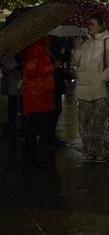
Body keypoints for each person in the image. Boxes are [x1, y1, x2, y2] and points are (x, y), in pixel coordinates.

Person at [71, 14, 109, 163]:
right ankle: (89, 152)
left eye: (92, 24)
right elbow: (76, 63)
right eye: (88, 24)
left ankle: (102, 153)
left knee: (102, 123)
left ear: (100, 25)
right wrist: (76, 49)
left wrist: (102, 78)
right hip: (84, 90)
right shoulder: (86, 43)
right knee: (85, 123)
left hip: (101, 90)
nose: (89, 26)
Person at [20, 37, 57, 168]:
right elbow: (31, 71)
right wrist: (52, 67)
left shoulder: (42, 46)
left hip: (42, 92)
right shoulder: (35, 48)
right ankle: (29, 159)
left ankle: (31, 158)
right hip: (36, 93)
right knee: (34, 127)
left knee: (36, 127)